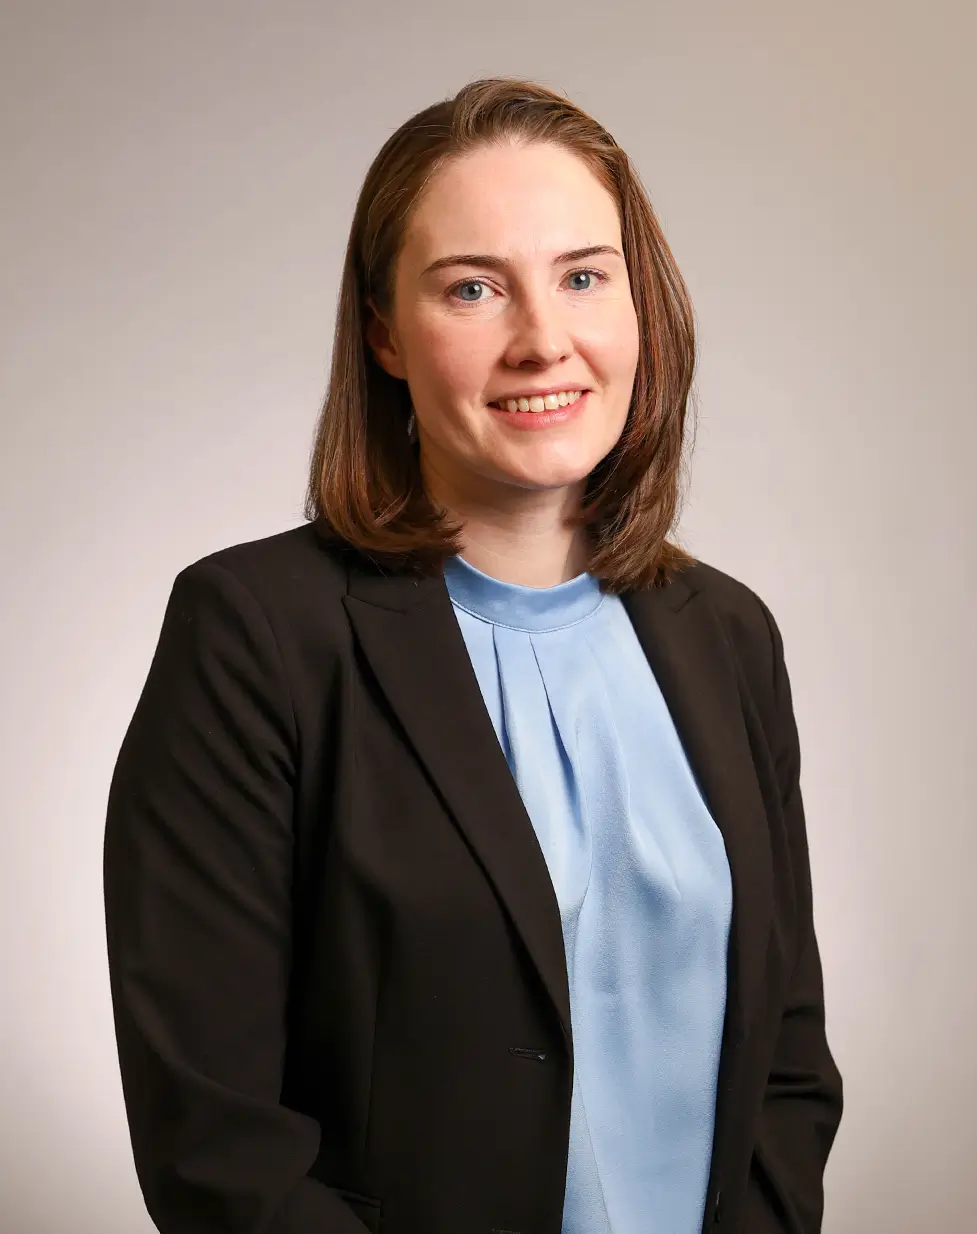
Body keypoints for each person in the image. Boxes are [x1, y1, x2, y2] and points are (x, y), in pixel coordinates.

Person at [103, 77, 843, 1234]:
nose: (542, 339)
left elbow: (786, 1054)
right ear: (385, 333)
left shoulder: (728, 634)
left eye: (584, 276)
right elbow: (215, 1140)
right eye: (473, 288)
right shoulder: (253, 633)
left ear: (641, 305)